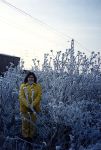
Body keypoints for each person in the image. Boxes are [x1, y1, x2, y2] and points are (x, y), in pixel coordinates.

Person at [19, 72, 42, 141]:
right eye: (29, 77)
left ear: (34, 78)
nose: (31, 78)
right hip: (24, 108)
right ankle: (25, 137)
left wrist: (32, 104)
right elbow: (21, 96)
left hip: (34, 109)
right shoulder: (23, 86)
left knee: (32, 124)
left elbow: (39, 96)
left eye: (32, 77)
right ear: (27, 78)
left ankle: (31, 137)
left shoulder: (38, 86)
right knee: (25, 123)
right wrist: (27, 104)